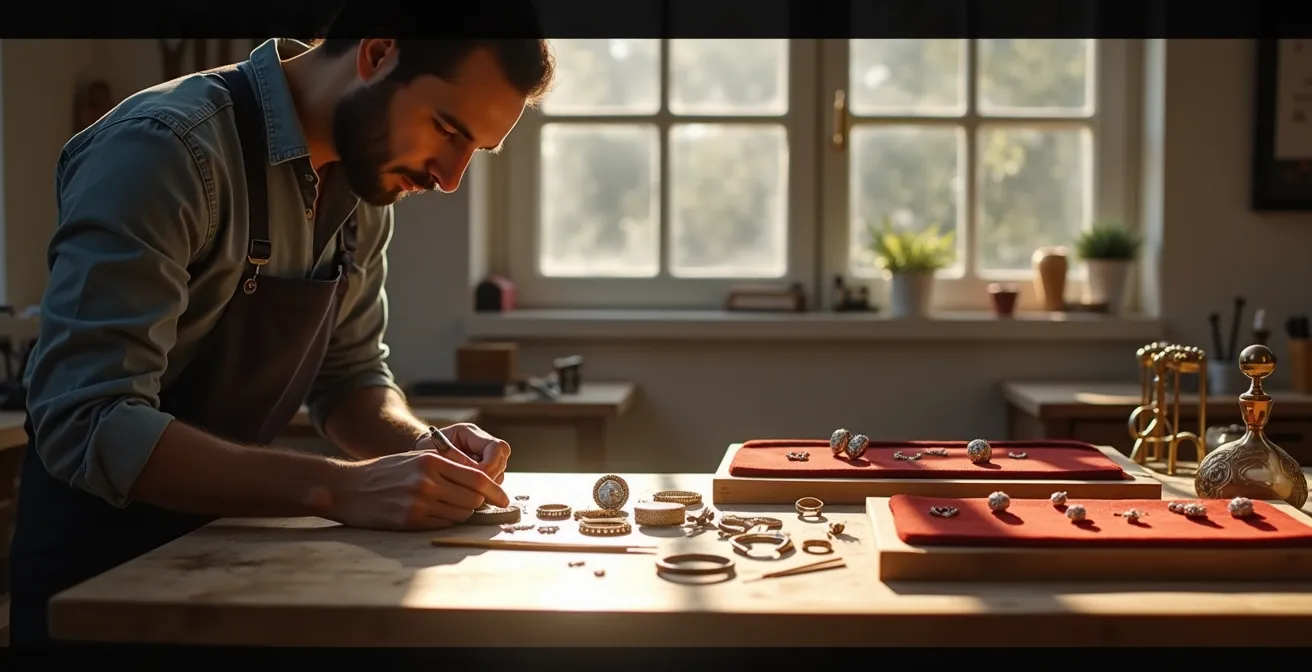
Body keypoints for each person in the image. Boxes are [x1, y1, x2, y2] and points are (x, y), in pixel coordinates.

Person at [8, 6, 557, 647]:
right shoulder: (165, 149)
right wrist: (336, 487)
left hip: (228, 560)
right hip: (101, 584)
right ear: (379, 53)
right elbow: (90, 419)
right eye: (446, 129)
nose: (449, 176)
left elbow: (350, 378)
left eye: (475, 151)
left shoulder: (364, 185)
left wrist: (420, 446)